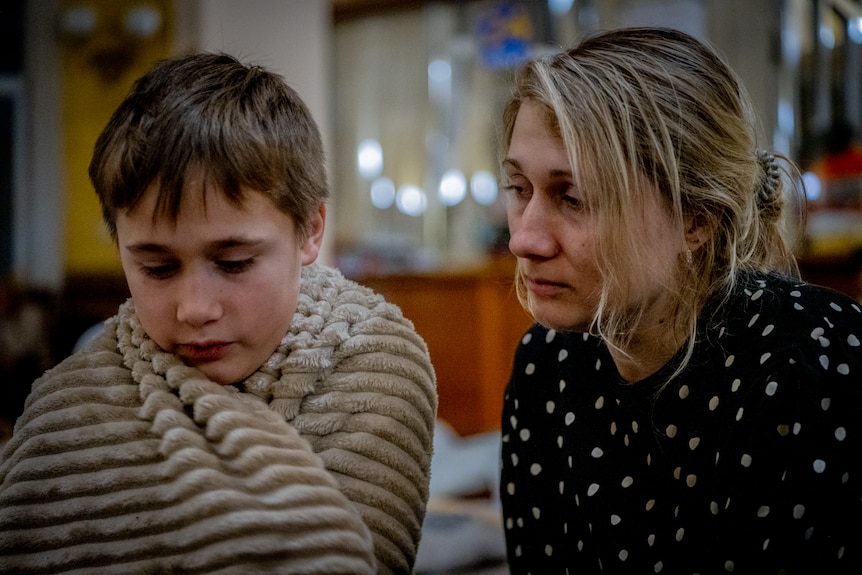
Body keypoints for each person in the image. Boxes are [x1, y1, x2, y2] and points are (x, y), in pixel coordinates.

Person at [0, 52, 437, 575]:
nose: (194, 309)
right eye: (157, 268)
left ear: (311, 229)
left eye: (233, 263)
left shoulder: (371, 358)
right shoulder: (66, 400)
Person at [498, 27, 862, 574]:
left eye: (572, 197)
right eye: (519, 190)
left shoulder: (815, 368)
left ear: (697, 218)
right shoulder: (546, 366)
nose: (523, 239)